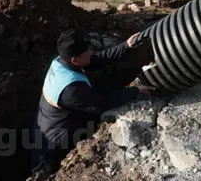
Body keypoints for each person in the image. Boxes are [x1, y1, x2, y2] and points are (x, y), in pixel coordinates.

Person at [30, 29, 152, 178]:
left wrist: (125, 45)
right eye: (86, 52)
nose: (90, 52)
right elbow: (102, 103)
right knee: (46, 173)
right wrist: (135, 90)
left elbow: (95, 61)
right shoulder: (71, 90)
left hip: (47, 122)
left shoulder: (62, 61)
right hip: (54, 143)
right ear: (75, 60)